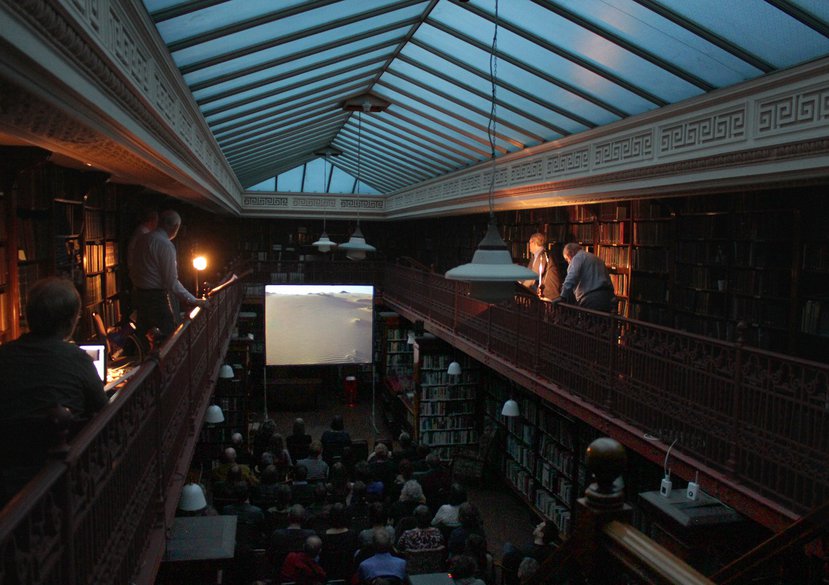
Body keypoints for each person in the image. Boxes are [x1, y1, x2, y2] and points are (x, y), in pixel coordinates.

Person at [0, 277, 108, 422]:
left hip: (9, 443)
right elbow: (103, 409)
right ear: (70, 321)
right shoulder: (78, 359)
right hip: (71, 442)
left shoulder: (4, 354)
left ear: (28, 315)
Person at [130, 209, 206, 338]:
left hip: (139, 295)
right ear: (176, 227)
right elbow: (172, 282)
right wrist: (193, 300)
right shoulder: (165, 245)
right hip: (156, 298)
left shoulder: (142, 238)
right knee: (169, 338)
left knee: (143, 335)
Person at [555, 243, 615, 311]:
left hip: (591, 300)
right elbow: (608, 279)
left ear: (571, 253)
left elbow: (571, 278)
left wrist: (562, 296)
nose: (568, 263)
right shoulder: (597, 259)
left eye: (567, 259)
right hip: (607, 298)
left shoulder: (577, 258)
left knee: (590, 320)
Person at [520, 233, 561, 300]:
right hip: (541, 293)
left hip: (549, 295)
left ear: (533, 242)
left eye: (529, 243)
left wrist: (521, 287)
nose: (529, 246)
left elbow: (532, 278)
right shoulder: (535, 256)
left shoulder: (543, 255)